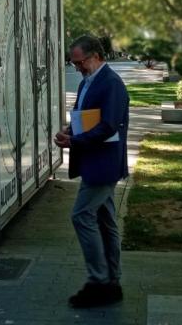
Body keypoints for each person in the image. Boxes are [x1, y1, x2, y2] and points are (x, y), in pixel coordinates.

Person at [54, 35, 130, 308]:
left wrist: (75, 141)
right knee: (105, 221)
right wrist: (69, 131)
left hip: (103, 165)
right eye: (73, 63)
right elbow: (84, 116)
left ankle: (99, 281)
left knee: (81, 216)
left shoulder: (111, 83)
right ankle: (111, 281)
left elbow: (108, 125)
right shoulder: (90, 81)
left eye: (80, 62)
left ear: (96, 56)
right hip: (94, 162)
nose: (77, 68)